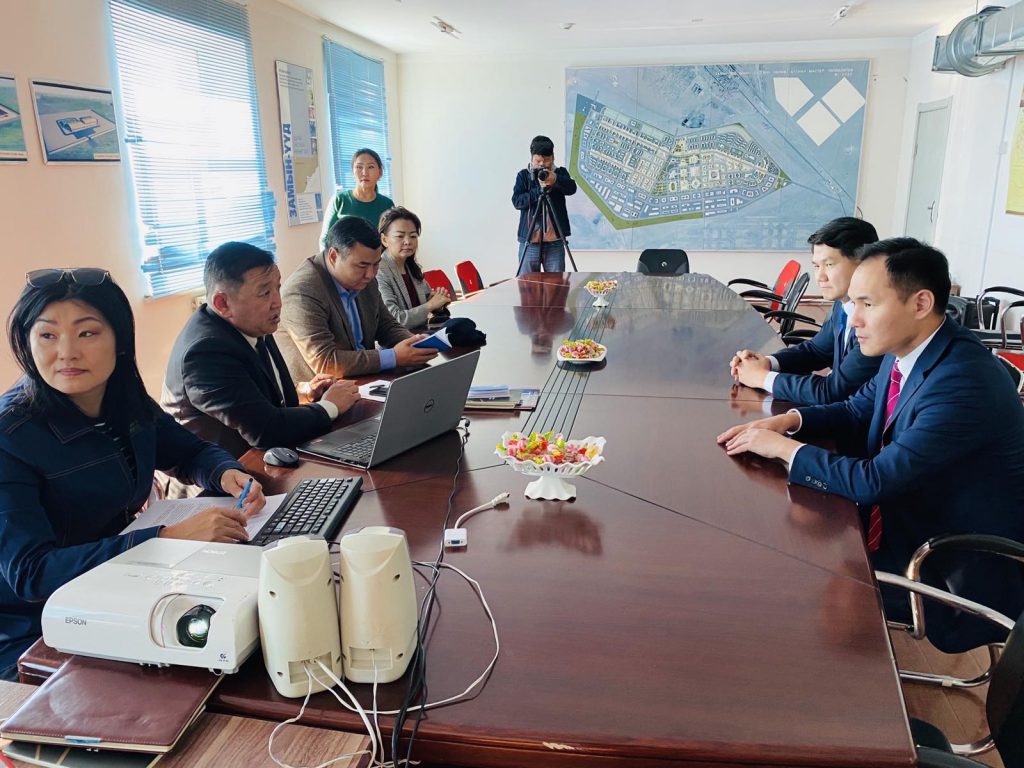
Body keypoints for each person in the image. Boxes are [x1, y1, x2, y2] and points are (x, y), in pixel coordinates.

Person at [717, 238, 1024, 650]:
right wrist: (790, 421)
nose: (854, 318)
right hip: (906, 520)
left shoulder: (963, 381)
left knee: (781, 584)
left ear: (920, 303)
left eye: (867, 303)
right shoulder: (913, 349)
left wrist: (783, 448)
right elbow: (856, 408)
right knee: (775, 544)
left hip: (947, 566)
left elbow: (873, 481)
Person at [0, 268, 266, 680]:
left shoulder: (124, 398)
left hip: (123, 584)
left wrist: (225, 471)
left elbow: (189, 450)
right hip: (36, 630)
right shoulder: (10, 434)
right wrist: (165, 538)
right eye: (47, 335)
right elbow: (31, 573)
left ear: (119, 340)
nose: (66, 352)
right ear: (27, 342)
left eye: (87, 333)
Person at [162, 243, 360, 461]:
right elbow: (265, 430)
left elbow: (253, 394)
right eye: (265, 293)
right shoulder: (205, 352)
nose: (278, 302)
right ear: (222, 303)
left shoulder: (251, 322)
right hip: (224, 472)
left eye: (277, 288)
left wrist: (304, 393)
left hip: (268, 456)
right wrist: (329, 407)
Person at [730, 217, 883, 406]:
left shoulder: (877, 322)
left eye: (829, 265)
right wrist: (767, 363)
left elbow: (832, 392)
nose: (820, 277)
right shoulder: (843, 304)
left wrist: (761, 378)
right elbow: (817, 351)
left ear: (863, 263)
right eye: (816, 266)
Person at [277, 216, 439, 379]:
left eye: (376, 264)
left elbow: (386, 326)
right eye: (362, 265)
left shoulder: (365, 279)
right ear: (333, 257)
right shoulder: (303, 291)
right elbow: (326, 362)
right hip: (323, 389)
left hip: (365, 379)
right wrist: (394, 357)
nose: (370, 274)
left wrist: (416, 343)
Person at [376, 206, 452, 328]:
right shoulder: (379, 270)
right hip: (401, 338)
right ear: (384, 240)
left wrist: (437, 301)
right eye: (400, 236)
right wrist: (430, 305)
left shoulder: (410, 266)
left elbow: (424, 305)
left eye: (413, 236)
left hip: (419, 333)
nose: (408, 241)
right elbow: (394, 320)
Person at [512, 135, 577, 275]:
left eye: (546, 160)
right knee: (527, 284)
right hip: (529, 241)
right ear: (532, 158)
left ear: (553, 158)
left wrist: (556, 180)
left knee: (556, 284)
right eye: (538, 161)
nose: (542, 164)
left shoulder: (559, 173)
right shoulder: (523, 176)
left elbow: (572, 188)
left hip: (555, 242)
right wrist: (539, 191)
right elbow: (517, 201)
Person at [319, 148, 395, 249]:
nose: (364, 173)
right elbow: (325, 240)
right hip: (344, 258)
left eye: (370, 167)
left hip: (377, 258)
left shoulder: (387, 204)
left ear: (380, 173)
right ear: (352, 172)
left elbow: (392, 239)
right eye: (359, 167)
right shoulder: (339, 200)